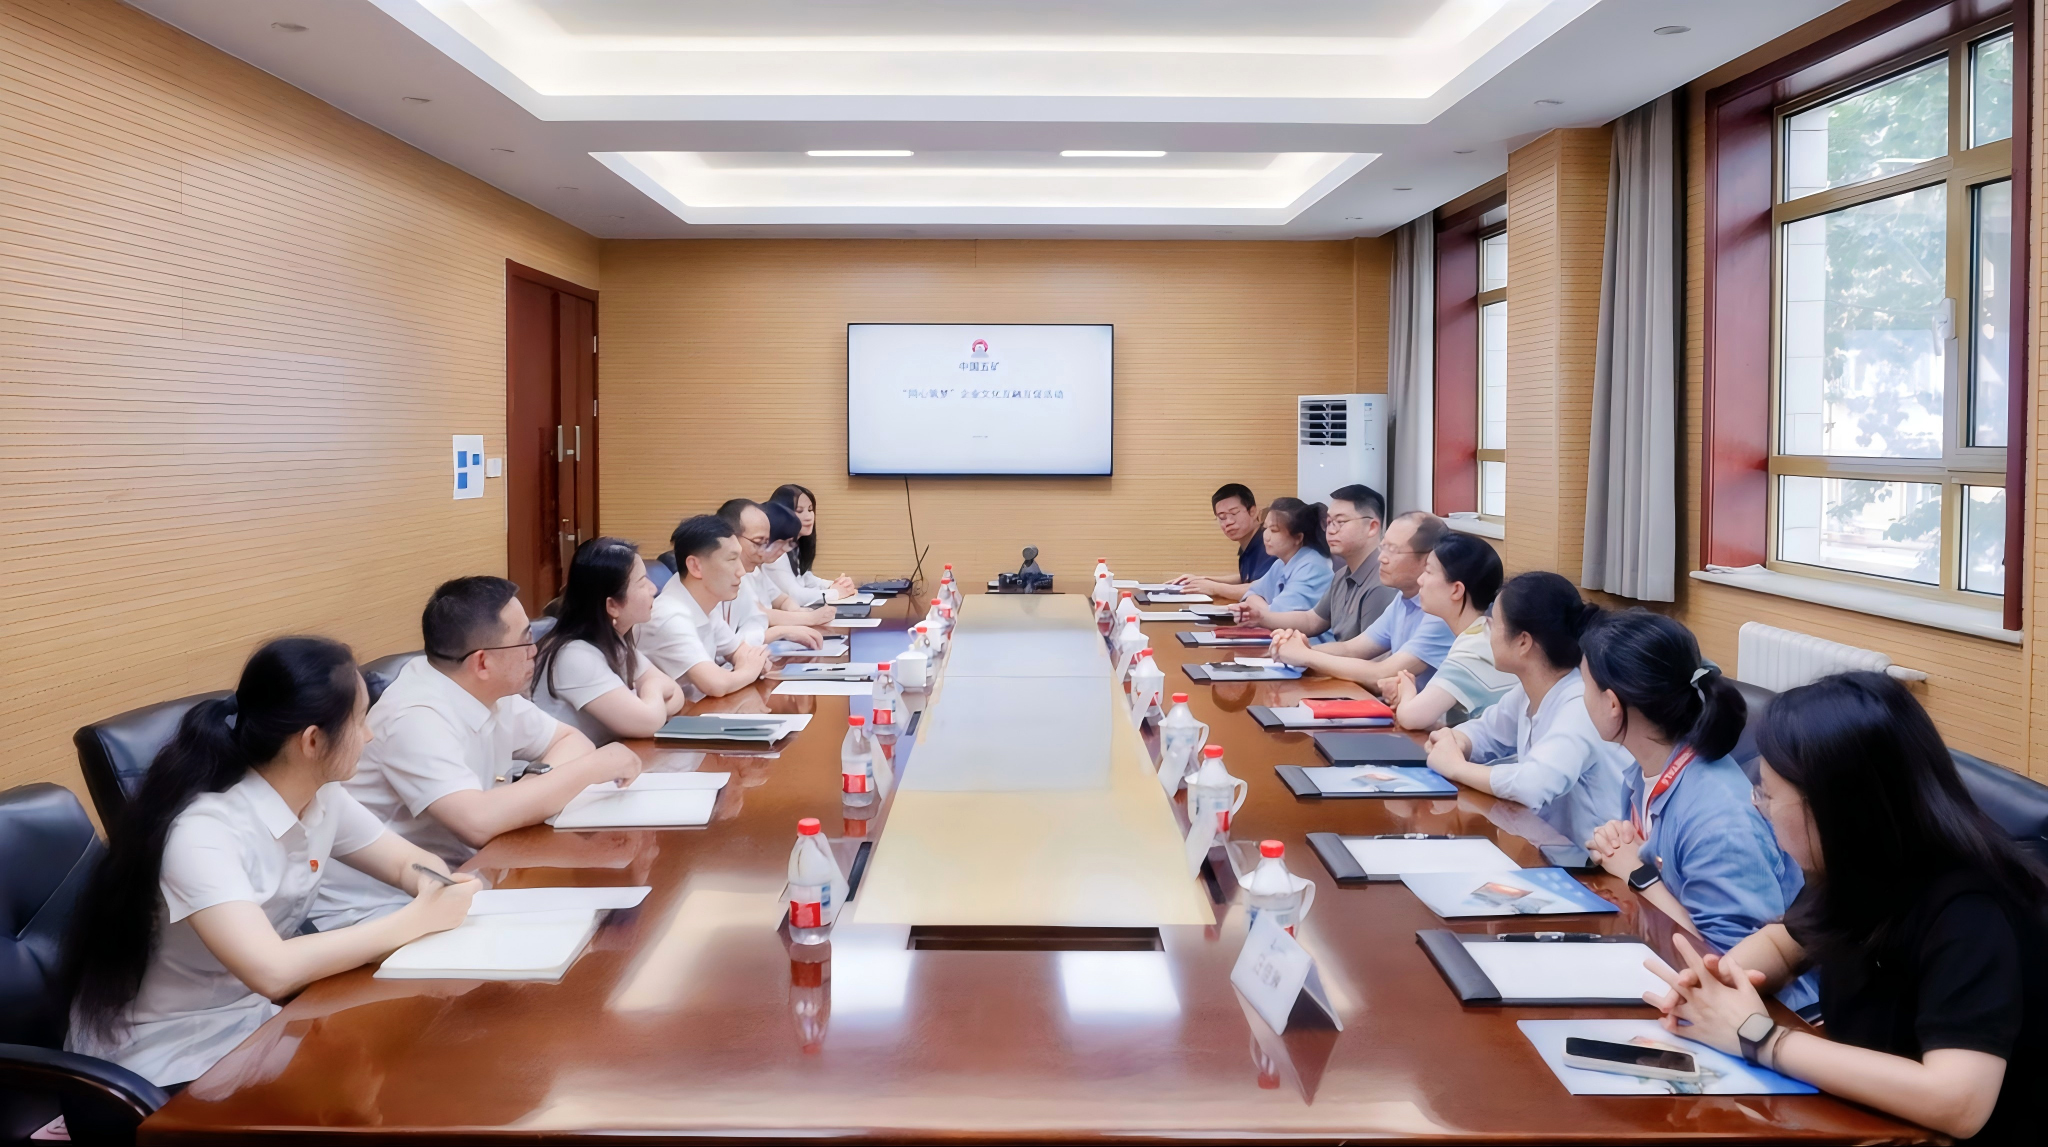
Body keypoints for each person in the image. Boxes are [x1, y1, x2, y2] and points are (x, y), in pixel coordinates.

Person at [1646, 673, 2047, 1142]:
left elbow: (1958, 1102)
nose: (1760, 807)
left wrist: (1760, 1037)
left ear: (1831, 807)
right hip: (1864, 1120)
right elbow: (1785, 942)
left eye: (1768, 795)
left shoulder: (1972, 910)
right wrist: (1717, 986)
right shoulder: (1863, 860)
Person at [63, 638, 479, 1087]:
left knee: (412, 1059)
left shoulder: (322, 797)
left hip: (253, 1026)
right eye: (360, 720)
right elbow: (272, 970)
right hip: (161, 1060)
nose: (370, 735)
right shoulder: (204, 832)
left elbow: (404, 863)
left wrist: (433, 884)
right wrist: (416, 920)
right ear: (312, 741)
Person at [312, 577, 642, 928]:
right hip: (379, 906)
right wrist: (591, 770)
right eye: (525, 640)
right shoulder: (414, 715)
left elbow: (571, 741)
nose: (534, 651)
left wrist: (527, 790)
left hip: (466, 876)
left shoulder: (487, 689)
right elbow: (477, 823)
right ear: (482, 663)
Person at [1578, 609, 1815, 1013]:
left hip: (1766, 1013)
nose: (1582, 697)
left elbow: (1730, 965)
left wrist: (1638, 874)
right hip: (1676, 974)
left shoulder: (1719, 819)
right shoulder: (1645, 771)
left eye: (1584, 685)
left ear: (1613, 703)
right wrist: (1626, 853)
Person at [1425, 573, 1633, 846]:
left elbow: (1532, 786)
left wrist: (1456, 767)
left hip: (1595, 863)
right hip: (1551, 846)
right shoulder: (1530, 690)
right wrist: (1456, 741)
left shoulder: (1580, 703)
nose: (1487, 631)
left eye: (1494, 623)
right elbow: (1487, 731)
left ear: (1523, 642)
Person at [1268, 511, 1454, 696]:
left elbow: (1382, 673)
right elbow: (1351, 649)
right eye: (1383, 547)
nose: (1381, 558)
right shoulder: (1403, 599)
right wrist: (1298, 649)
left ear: (1429, 559)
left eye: (1393, 550)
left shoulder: (1442, 614)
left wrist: (1305, 655)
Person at [531, 537, 687, 743]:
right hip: (571, 761)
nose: (653, 589)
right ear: (612, 605)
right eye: (642, 582)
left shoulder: (611, 640)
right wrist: (653, 690)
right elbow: (649, 722)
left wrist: (650, 706)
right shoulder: (574, 655)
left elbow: (676, 694)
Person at [1378, 531, 1510, 728]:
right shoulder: (1483, 632)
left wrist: (1406, 688)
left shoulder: (1473, 648)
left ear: (1456, 590)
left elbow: (1412, 718)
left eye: (1428, 572)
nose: (1420, 580)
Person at [1234, 483, 1397, 643]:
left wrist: (1301, 653)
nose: (1331, 530)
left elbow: (1364, 653)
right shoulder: (1342, 575)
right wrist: (1261, 618)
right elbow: (1312, 621)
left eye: (1340, 522)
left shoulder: (1382, 582)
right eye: (1329, 522)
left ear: (1372, 527)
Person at [636, 514, 770, 699]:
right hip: (673, 715)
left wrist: (750, 662)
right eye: (731, 560)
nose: (741, 571)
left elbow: (737, 650)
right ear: (695, 566)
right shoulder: (670, 616)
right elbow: (716, 684)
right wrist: (750, 670)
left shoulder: (703, 603)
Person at [718, 497, 828, 647]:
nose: (763, 551)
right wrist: (786, 629)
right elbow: (725, 649)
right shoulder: (721, 579)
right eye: (759, 542)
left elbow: (755, 621)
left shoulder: (746, 571)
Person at [1169, 483, 1273, 602]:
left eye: (1234, 513)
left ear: (1253, 512)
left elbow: (1263, 589)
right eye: (1222, 517)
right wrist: (1203, 580)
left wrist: (1214, 588)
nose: (1228, 522)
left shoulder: (1268, 543)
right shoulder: (1249, 544)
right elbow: (1246, 578)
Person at [1230, 497, 1333, 615]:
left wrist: (1263, 611)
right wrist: (1266, 610)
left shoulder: (1313, 568)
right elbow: (1251, 594)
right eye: (1265, 528)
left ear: (1298, 537)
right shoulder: (1281, 562)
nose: (1266, 536)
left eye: (1274, 530)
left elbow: (1279, 616)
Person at [767, 483, 857, 606]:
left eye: (810, 510)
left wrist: (836, 585)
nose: (809, 517)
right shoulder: (773, 550)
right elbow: (795, 596)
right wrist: (835, 592)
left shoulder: (794, 545)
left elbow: (806, 579)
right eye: (799, 511)